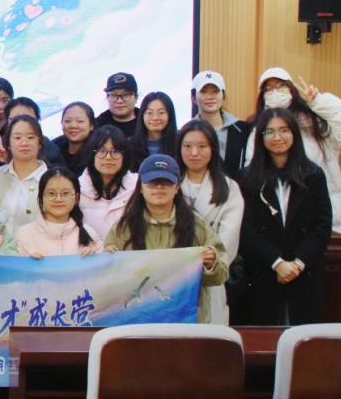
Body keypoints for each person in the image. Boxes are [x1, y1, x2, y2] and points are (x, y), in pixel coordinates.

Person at [245, 67, 341, 295]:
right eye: (268, 88)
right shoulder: (257, 131)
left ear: (292, 89)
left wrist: (318, 101)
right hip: (277, 235)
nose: (274, 92)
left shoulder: (315, 124)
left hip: (324, 230)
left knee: (326, 300)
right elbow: (253, 179)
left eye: (281, 86)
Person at [104, 154, 228, 324]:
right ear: (140, 188)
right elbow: (110, 281)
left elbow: (221, 275)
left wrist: (211, 263)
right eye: (152, 182)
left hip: (187, 322)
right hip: (138, 321)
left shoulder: (197, 225)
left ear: (177, 188)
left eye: (166, 182)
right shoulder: (124, 228)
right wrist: (108, 260)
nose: (159, 187)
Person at [235, 109, 332, 325]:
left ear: (294, 133)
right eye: (269, 132)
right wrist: (277, 262)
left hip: (304, 271)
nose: (277, 137)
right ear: (260, 137)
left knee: (303, 338)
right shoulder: (247, 178)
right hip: (263, 271)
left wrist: (297, 264)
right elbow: (245, 228)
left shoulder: (313, 175)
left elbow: (322, 225)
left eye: (284, 130)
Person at [176, 119, 244, 325]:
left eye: (202, 146)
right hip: (174, 277)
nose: (194, 153)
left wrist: (208, 258)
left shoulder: (229, 187)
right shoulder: (170, 183)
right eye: (187, 146)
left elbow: (227, 241)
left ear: (213, 149)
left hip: (210, 276)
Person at [15, 168, 102, 257]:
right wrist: (28, 263)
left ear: (76, 198)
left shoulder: (90, 233)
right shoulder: (25, 234)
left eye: (65, 193)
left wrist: (94, 258)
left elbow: (105, 264)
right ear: (41, 197)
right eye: (51, 193)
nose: (58, 199)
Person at [78, 125, 137, 240]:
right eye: (101, 151)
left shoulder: (137, 186)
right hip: (90, 250)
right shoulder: (76, 188)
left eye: (115, 151)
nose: (108, 157)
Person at [0, 115, 49, 232]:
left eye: (30, 137)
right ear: (8, 144)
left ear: (40, 142)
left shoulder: (52, 179)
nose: (24, 143)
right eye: (17, 138)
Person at [191, 71, 250, 178]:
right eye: (203, 92)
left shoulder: (243, 129)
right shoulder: (187, 133)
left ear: (223, 95)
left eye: (215, 91)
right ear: (194, 98)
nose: (210, 97)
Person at [0, 97, 65, 169]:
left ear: (38, 121)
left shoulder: (51, 150)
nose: (21, 123)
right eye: (14, 120)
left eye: (27, 119)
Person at [129, 92, 177, 170]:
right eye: (149, 113)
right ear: (142, 115)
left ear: (170, 115)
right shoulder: (130, 146)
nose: (155, 118)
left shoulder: (179, 144)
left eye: (161, 112)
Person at [53, 102, 95, 177]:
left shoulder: (97, 154)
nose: (73, 125)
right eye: (67, 121)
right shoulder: (54, 148)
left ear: (91, 125)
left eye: (80, 121)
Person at [95, 72, 140, 137]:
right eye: (113, 95)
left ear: (136, 97)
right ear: (107, 97)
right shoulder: (96, 127)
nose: (119, 101)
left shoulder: (147, 123)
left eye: (126, 95)